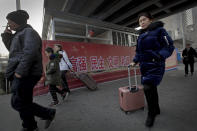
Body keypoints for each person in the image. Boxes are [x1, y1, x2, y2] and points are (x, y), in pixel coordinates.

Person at [1, 10, 56, 131]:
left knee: (17, 102)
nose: (8, 25)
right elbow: (13, 51)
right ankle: (29, 125)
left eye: (10, 22)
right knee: (24, 101)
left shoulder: (28, 32)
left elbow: (30, 52)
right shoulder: (18, 34)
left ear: (17, 21)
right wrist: (6, 36)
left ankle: (48, 113)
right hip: (23, 72)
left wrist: (20, 71)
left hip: (26, 73)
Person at [130, 12, 174, 127]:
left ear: (150, 20)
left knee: (148, 88)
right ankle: (157, 109)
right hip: (144, 66)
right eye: (140, 21)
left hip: (156, 65)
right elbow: (138, 52)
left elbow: (169, 46)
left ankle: (151, 113)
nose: (142, 22)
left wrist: (159, 56)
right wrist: (135, 61)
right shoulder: (140, 36)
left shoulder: (160, 31)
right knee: (151, 88)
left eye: (144, 19)